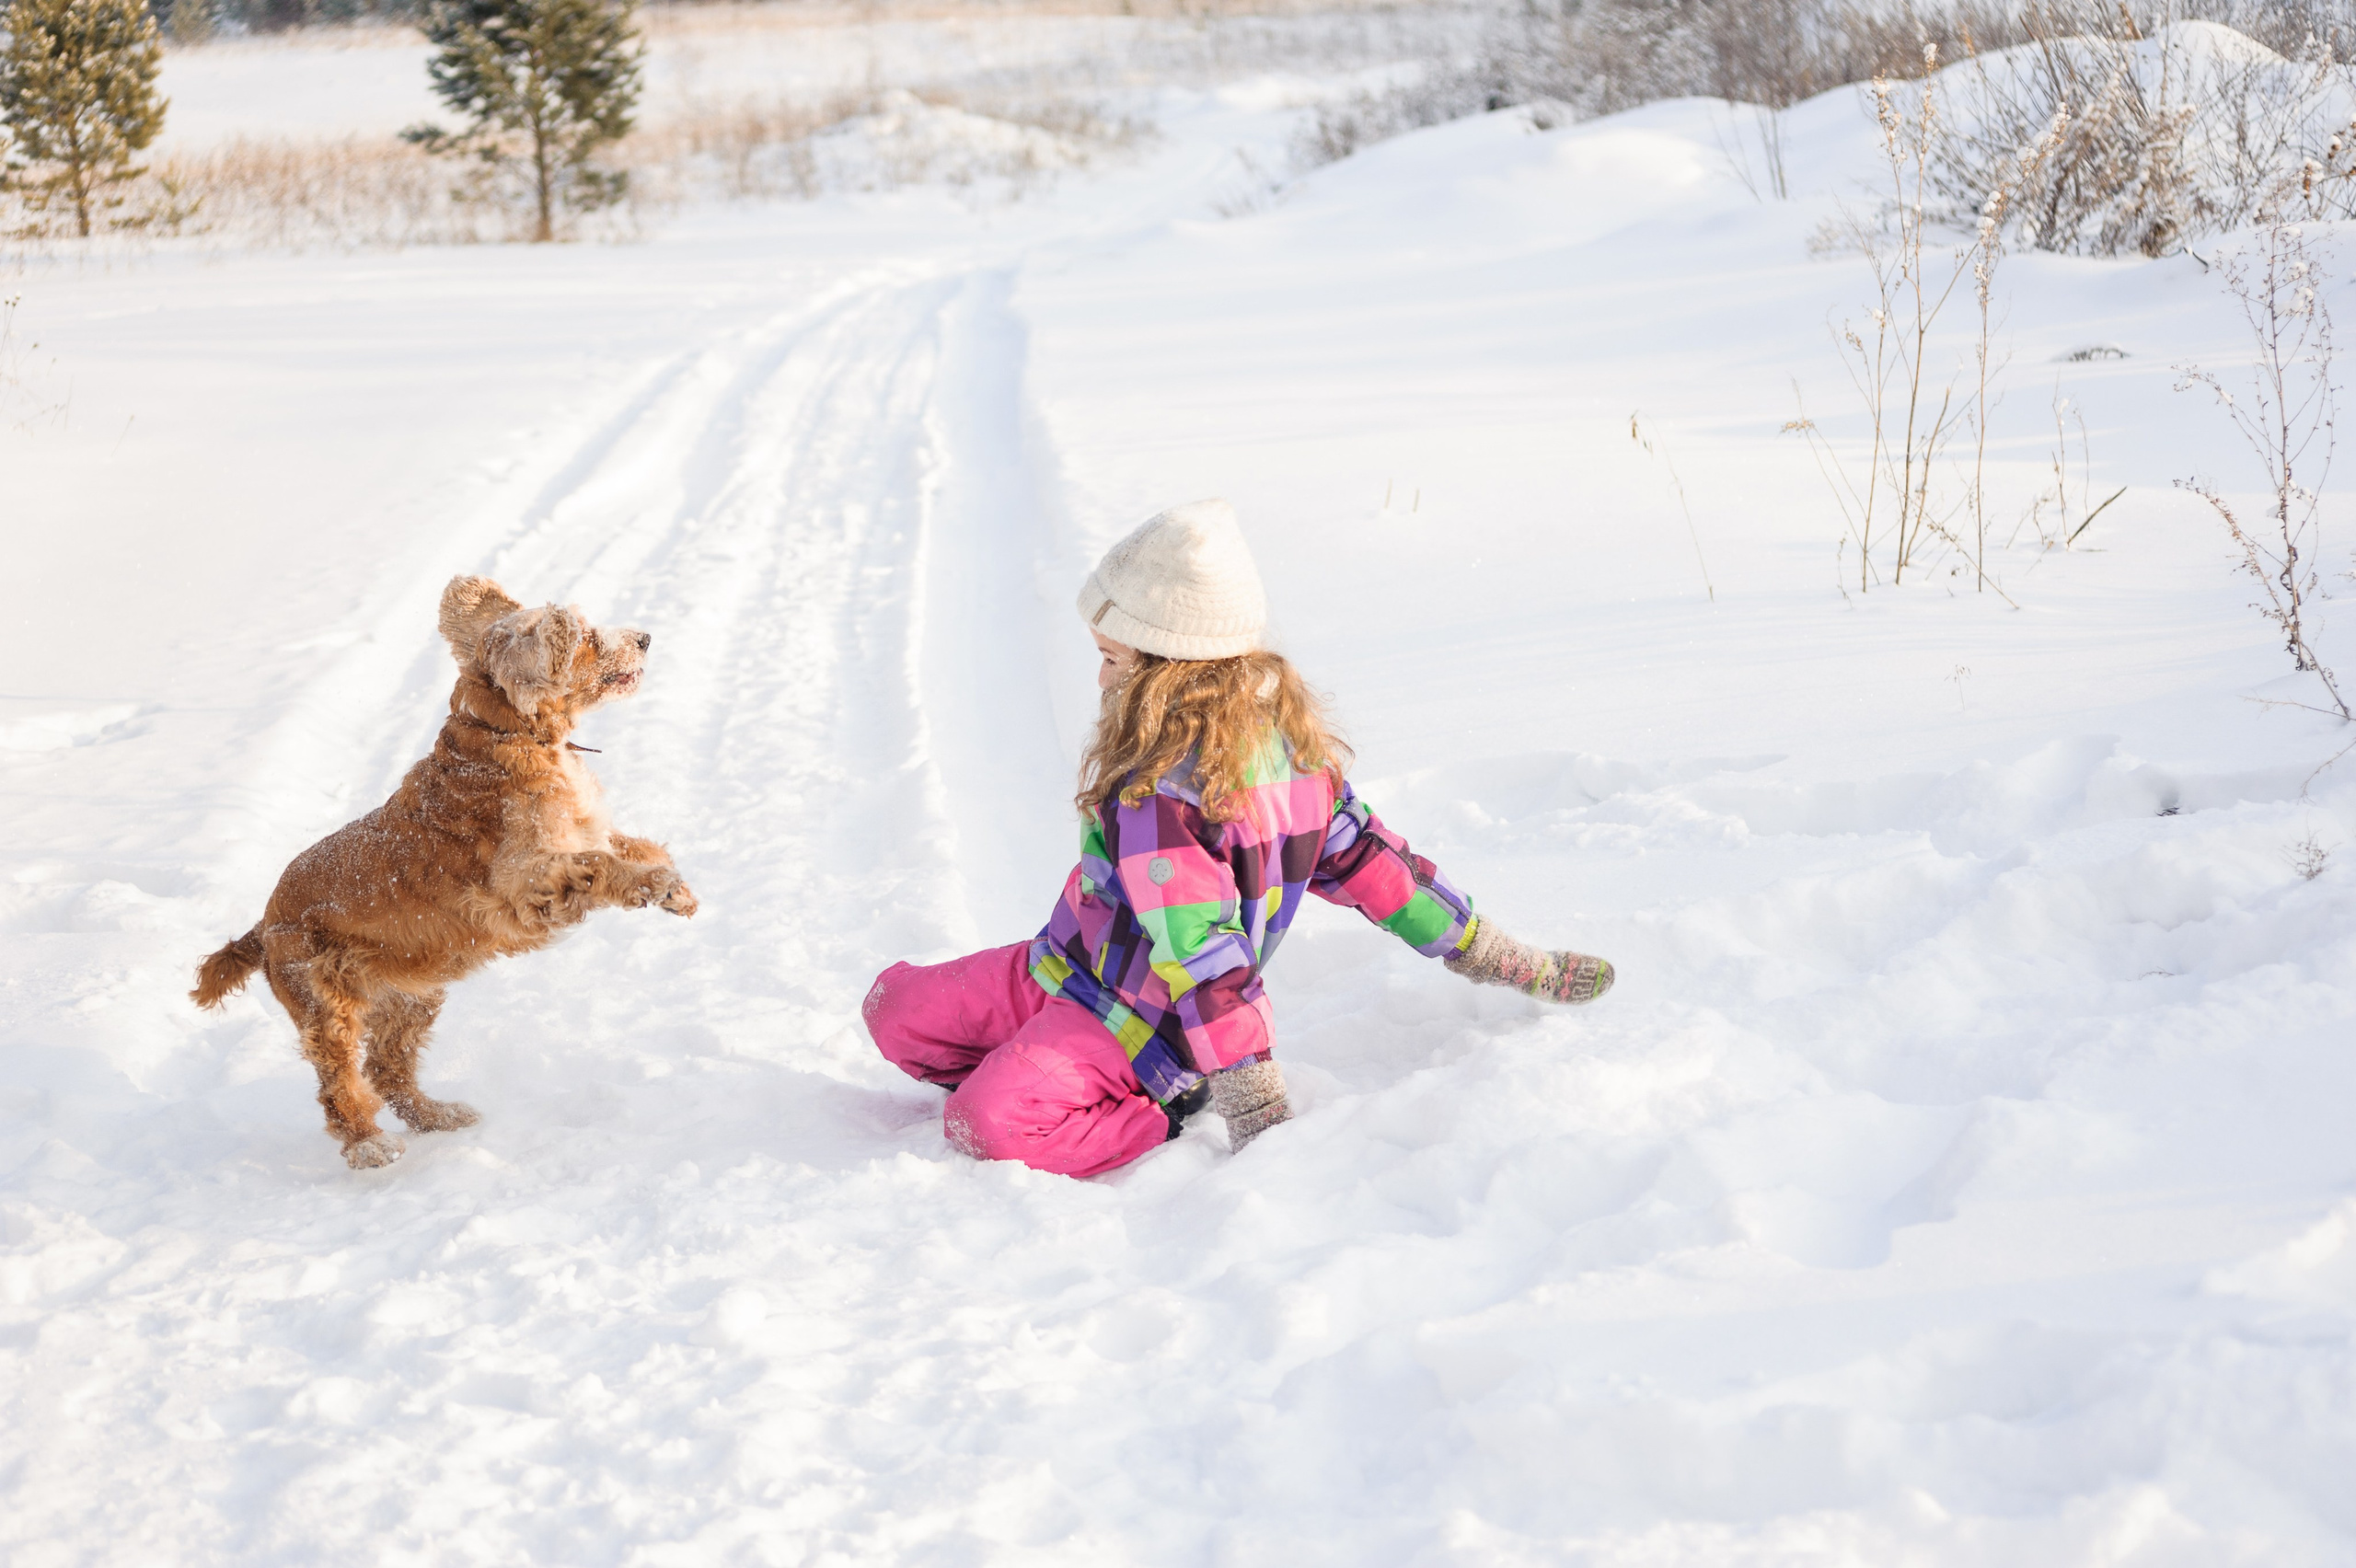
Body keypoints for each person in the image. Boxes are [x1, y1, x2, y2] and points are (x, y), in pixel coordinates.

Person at [862, 499, 1613, 1178]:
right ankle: (1042, 1068)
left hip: (1142, 1027)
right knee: (894, 1008)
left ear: (1169, 672)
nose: (1100, 681)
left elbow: (1237, 941)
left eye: (1112, 660)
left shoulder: (1174, 795)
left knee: (985, 1124)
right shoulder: (1173, 762)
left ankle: (1154, 1111)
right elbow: (1389, 875)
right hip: (1059, 968)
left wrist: (1254, 1104)